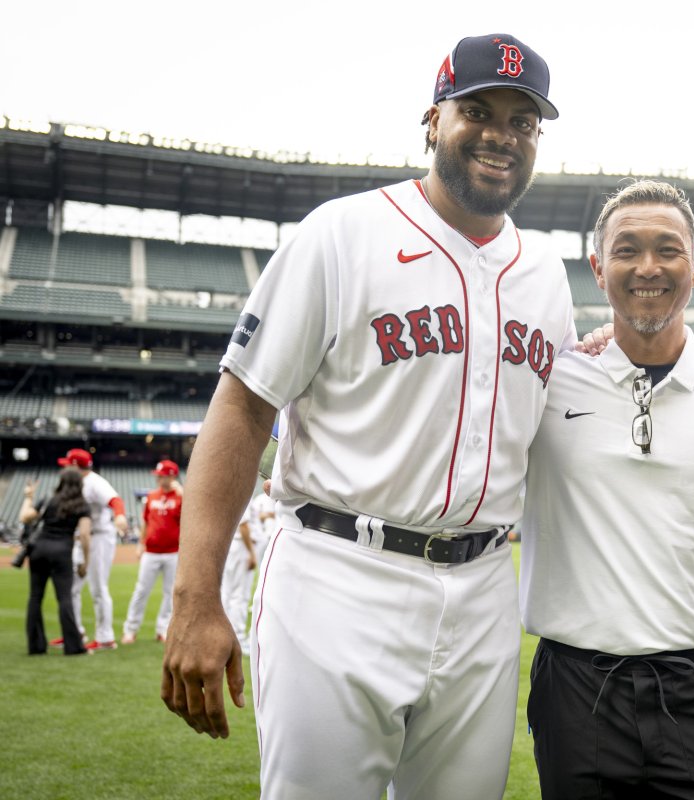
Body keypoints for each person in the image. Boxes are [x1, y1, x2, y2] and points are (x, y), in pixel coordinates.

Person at [160, 33, 574, 800]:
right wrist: (195, 598)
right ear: (432, 121)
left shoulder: (547, 273)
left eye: (523, 121)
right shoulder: (343, 233)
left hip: (483, 585)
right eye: (478, 110)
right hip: (338, 572)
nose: (501, 135)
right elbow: (244, 406)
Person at [520, 180, 694, 799]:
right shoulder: (545, 382)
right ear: (598, 267)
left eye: (668, 250)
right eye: (627, 250)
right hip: (575, 687)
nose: (648, 267)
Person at [55, 447, 129, 650]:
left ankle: (105, 638)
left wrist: (120, 516)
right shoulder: (76, 483)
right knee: (72, 588)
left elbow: (116, 500)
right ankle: (74, 633)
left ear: (76, 466)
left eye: (68, 464)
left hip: (100, 538)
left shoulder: (95, 482)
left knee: (98, 588)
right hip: (81, 539)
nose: (65, 468)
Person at [19, 470, 92, 656]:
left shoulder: (48, 500)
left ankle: (35, 646)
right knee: (65, 599)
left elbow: (25, 517)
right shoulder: (82, 505)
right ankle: (73, 646)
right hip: (62, 552)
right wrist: (85, 562)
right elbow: (84, 535)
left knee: (35, 597)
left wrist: (28, 497)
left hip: (39, 550)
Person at [121, 460, 184, 645]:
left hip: (173, 551)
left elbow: (190, 517)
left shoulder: (181, 496)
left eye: (162, 475)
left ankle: (163, 629)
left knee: (169, 592)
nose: (158, 478)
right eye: (158, 475)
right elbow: (146, 522)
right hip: (152, 551)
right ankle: (130, 630)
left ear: (172, 476)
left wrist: (183, 493)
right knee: (141, 591)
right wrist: (141, 543)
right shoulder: (152, 496)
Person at [219, 503, 257, 650]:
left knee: (227, 593)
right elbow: (244, 526)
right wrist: (252, 552)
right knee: (240, 595)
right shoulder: (242, 491)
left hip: (230, 545)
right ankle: (238, 637)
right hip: (241, 546)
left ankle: (224, 634)